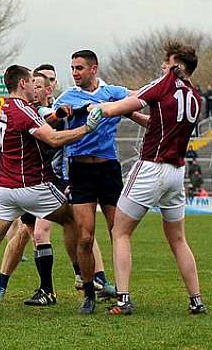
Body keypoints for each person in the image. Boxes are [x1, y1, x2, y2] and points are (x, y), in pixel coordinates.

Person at [0, 65, 102, 314]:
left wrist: (67, 111)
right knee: (76, 221)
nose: (37, 86)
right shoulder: (23, 110)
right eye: (33, 82)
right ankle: (81, 277)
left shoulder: (6, 107)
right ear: (22, 84)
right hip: (33, 186)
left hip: (6, 190)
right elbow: (53, 139)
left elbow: (42, 118)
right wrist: (87, 129)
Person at [92, 42, 206, 315]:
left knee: (120, 232)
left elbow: (121, 105)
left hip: (151, 168)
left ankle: (123, 300)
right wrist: (132, 114)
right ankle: (196, 300)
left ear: (177, 66)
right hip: (176, 173)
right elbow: (161, 125)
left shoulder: (166, 82)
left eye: (166, 62)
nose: (163, 66)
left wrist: (101, 108)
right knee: (178, 240)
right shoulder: (194, 96)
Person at [52, 50, 150, 299]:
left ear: (94, 69)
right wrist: (62, 114)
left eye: (80, 68)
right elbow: (51, 121)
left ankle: (122, 291)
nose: (74, 73)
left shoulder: (112, 92)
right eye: (72, 68)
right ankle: (88, 293)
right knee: (85, 237)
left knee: (118, 232)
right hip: (81, 170)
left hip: (109, 169)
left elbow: (141, 97)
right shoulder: (68, 97)